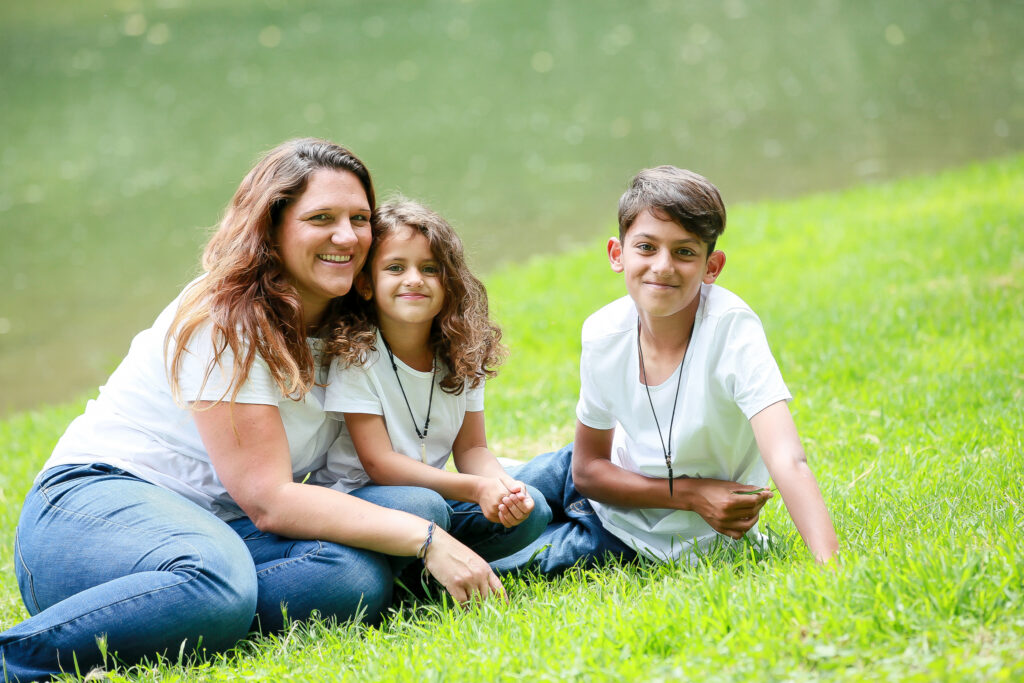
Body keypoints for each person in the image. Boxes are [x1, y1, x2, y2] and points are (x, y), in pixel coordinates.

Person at [0, 139, 503, 682]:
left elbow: (390, 454)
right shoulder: (227, 316)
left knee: (361, 565)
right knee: (221, 581)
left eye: (360, 218)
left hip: (223, 526)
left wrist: (475, 493)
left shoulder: (350, 320)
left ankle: (178, 614)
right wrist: (425, 542)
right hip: (94, 507)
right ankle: (23, 657)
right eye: (321, 218)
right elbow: (270, 500)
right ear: (272, 228)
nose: (347, 236)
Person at [492, 166, 838, 575]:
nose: (662, 266)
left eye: (685, 251)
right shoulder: (603, 332)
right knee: (472, 505)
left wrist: (830, 568)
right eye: (646, 247)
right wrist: (692, 494)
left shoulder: (732, 330)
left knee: (485, 567)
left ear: (712, 266)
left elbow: (788, 460)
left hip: (634, 532)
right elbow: (587, 470)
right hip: (593, 475)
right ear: (617, 254)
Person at [317, 199, 551, 569]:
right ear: (365, 284)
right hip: (363, 501)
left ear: (450, 283)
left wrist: (502, 488)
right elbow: (380, 464)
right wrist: (476, 489)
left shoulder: (461, 353)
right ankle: (420, 564)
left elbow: (473, 449)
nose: (414, 279)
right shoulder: (357, 356)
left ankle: (430, 566)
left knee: (533, 508)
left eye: (430, 268)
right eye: (395, 267)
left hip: (433, 499)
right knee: (423, 507)